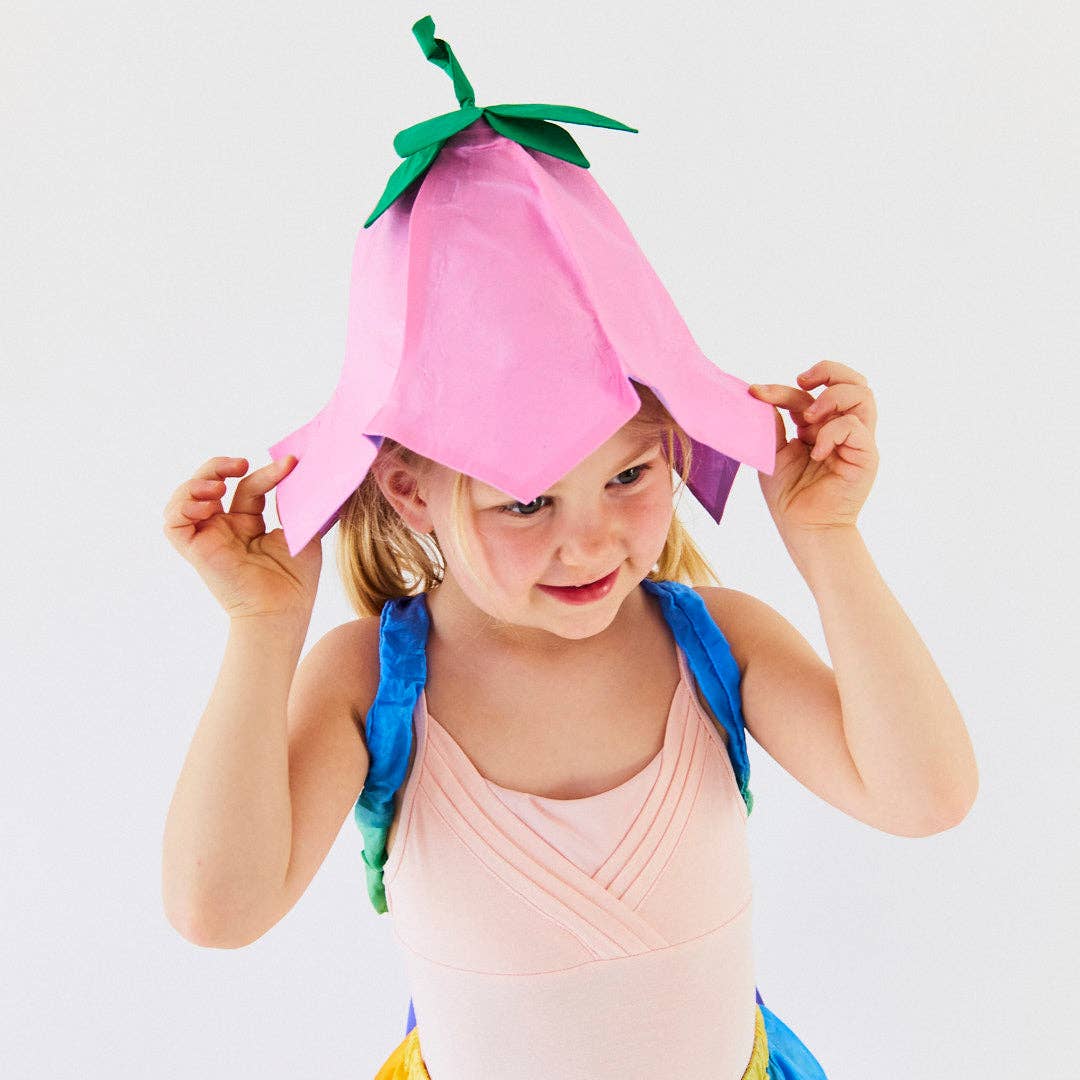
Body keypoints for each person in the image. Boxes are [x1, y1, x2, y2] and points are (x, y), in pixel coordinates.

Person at [161, 17, 978, 1079]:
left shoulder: (713, 642)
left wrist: (828, 545)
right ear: (407, 488)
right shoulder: (374, 682)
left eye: (631, 476)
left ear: (677, 446)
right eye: (526, 503)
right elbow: (216, 911)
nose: (589, 536)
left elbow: (925, 798)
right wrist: (262, 632)